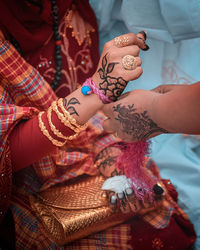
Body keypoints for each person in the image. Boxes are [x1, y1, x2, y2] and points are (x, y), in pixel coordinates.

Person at [0, 0, 196, 249]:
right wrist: (101, 89)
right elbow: (6, 150)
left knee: (162, 224)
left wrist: (154, 114)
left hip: (91, 135)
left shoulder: (71, 8)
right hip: (30, 178)